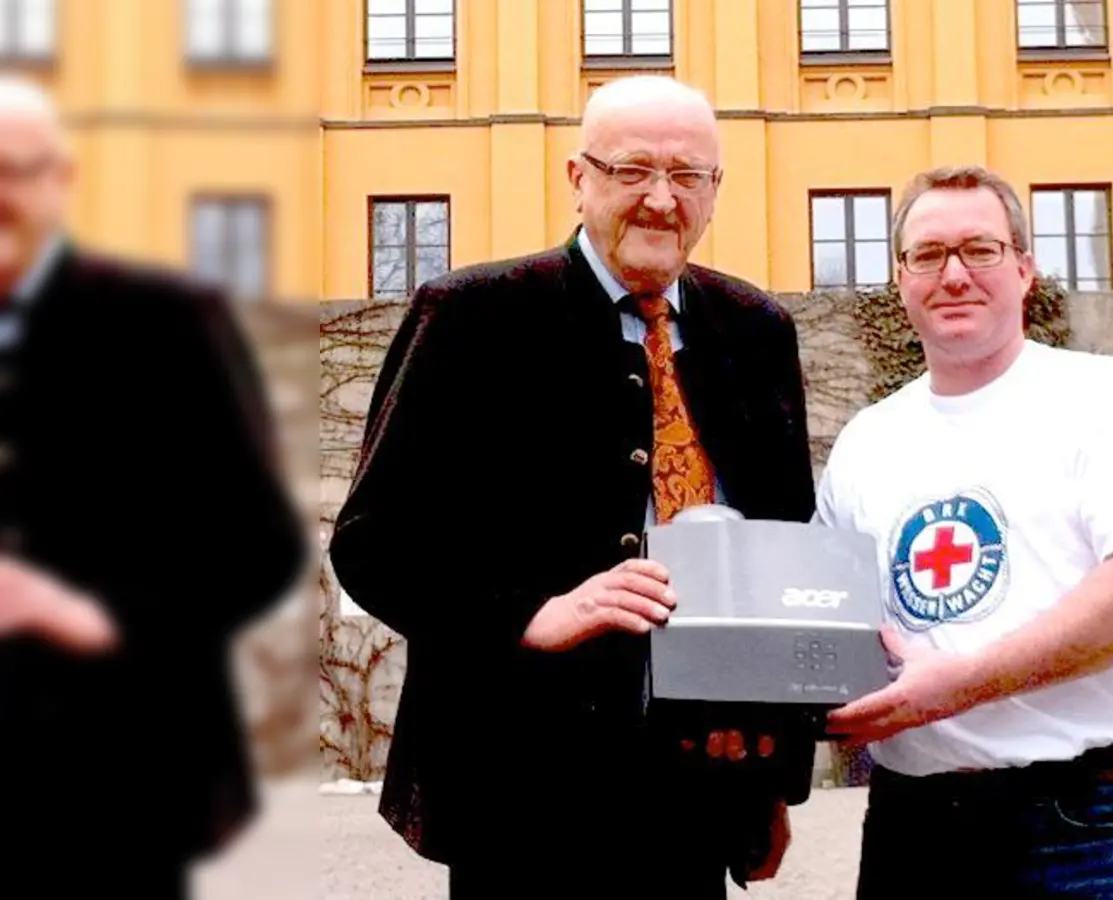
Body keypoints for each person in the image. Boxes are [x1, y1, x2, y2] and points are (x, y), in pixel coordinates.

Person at [328, 75, 817, 898]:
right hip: (521, 793)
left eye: (687, 176)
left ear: (715, 190)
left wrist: (774, 777)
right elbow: (373, 544)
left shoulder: (757, 329)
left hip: (697, 793)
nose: (661, 199)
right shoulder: (470, 316)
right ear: (578, 178)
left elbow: (784, 553)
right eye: (632, 170)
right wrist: (530, 616)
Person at [814, 164, 1113, 899]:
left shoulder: (1104, 398)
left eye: (980, 250)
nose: (953, 274)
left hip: (1082, 824)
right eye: (928, 255)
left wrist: (957, 687)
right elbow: (827, 609)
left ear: (1025, 268)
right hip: (911, 825)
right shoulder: (867, 440)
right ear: (900, 279)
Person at [0, 77, 306, 897]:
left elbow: (260, 546)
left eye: (14, 171)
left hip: (119, 777)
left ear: (61, 180)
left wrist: (87, 615)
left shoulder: (169, 322)